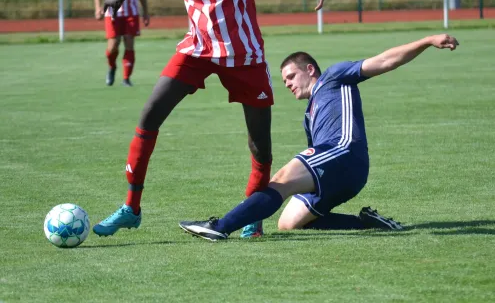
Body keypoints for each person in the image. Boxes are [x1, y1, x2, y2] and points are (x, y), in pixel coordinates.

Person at [92, 0, 342, 238]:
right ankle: (131, 209)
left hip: (244, 57)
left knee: (260, 146)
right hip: (196, 51)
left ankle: (252, 216)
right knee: (149, 116)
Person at [179, 33, 460, 241]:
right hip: (340, 173)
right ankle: (367, 224)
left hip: (344, 152)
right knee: (289, 223)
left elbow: (385, 61)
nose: (287, 84)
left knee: (281, 180)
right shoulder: (309, 114)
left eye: (290, 76)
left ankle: (221, 227)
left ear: (309, 70)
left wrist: (427, 40)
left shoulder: (334, 76)